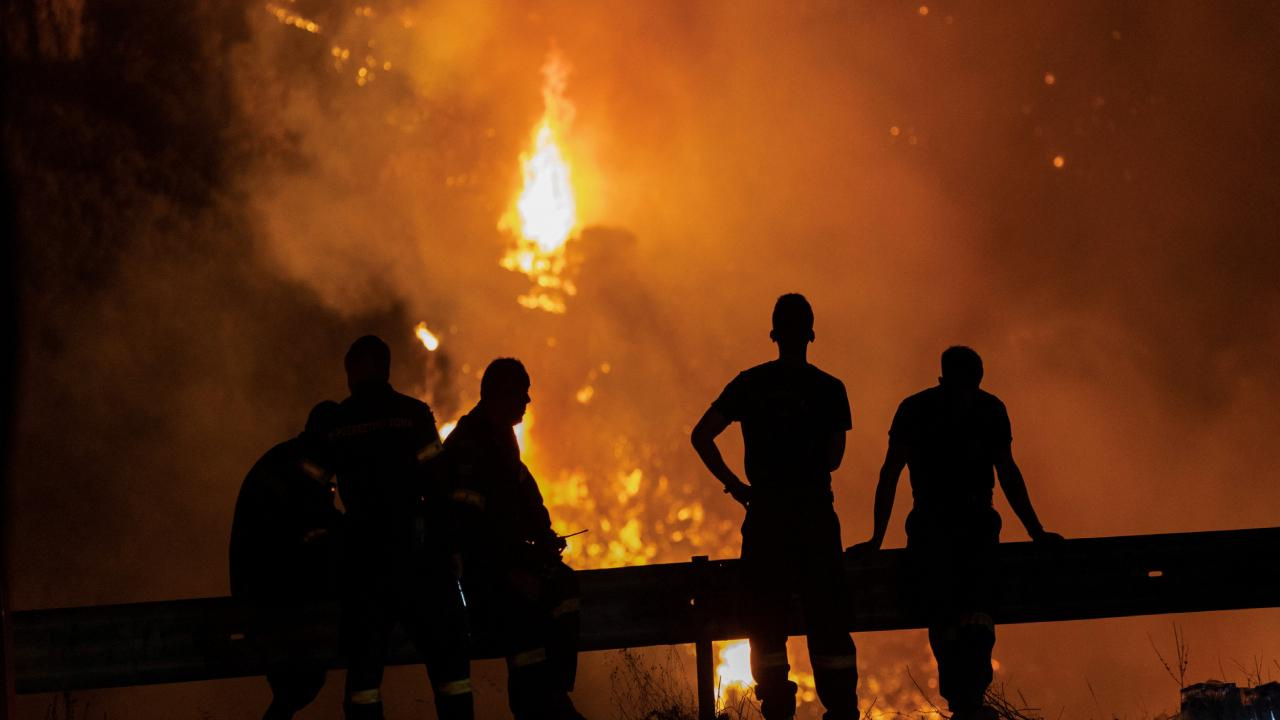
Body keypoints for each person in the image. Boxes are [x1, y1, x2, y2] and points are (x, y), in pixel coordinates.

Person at [849, 346, 1063, 720]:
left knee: (948, 615)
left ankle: (964, 702)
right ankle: (969, 702)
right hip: (972, 528)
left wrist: (876, 540)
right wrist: (1036, 532)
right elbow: (1007, 473)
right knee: (972, 614)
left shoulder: (915, 409)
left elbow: (890, 475)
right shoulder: (989, 409)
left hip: (934, 530)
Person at [691, 294, 859, 720]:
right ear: (811, 335)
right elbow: (836, 458)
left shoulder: (750, 383)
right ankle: (840, 708)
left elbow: (701, 436)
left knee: (765, 623)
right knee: (829, 620)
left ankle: (778, 708)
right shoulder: (830, 389)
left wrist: (737, 486)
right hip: (816, 518)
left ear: (774, 335)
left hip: (766, 518)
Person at [328, 335, 472, 720]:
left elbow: (317, 487)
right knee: (449, 667)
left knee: (364, 680)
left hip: (364, 564)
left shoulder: (339, 422)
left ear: (360, 369)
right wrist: (449, 546)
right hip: (417, 557)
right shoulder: (413, 414)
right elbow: (439, 484)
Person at [442, 358, 584, 720]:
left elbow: (521, 487)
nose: (528, 401)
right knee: (528, 631)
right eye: (523, 393)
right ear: (501, 395)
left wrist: (543, 534)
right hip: (484, 575)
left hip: (509, 561)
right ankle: (545, 705)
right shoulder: (469, 445)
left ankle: (552, 696)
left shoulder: (501, 438)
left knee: (562, 589)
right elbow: (466, 527)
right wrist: (511, 574)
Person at [230, 401, 344, 720]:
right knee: (302, 683)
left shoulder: (288, 458)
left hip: (261, 587)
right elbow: (316, 525)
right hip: (273, 592)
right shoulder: (307, 467)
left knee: (298, 686)